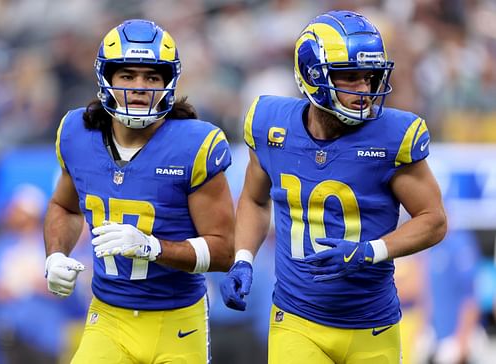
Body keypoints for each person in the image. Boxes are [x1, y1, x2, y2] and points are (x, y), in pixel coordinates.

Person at [220, 10, 447, 363]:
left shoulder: (393, 137)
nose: (364, 90)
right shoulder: (270, 126)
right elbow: (254, 199)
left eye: (369, 78)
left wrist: (370, 251)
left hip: (372, 324)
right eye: (350, 78)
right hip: (296, 319)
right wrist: (244, 258)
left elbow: (434, 219)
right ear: (312, 77)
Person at [43, 19, 235, 364]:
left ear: (168, 83)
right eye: (128, 76)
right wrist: (56, 254)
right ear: (107, 79)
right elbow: (65, 207)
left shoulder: (194, 143)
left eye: (151, 77)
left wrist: (153, 247)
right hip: (109, 318)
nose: (139, 87)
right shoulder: (76, 133)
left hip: (178, 322)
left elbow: (223, 251)